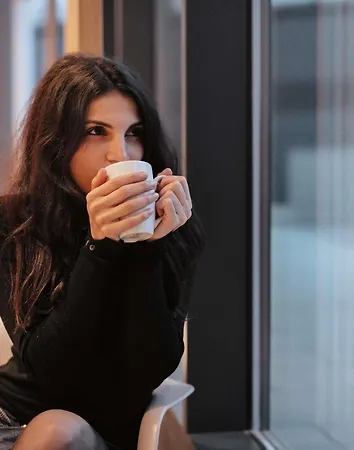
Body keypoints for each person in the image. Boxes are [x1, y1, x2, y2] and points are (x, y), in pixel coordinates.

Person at [0, 53, 204, 450]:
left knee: (57, 430)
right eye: (96, 131)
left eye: (133, 132)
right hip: (10, 416)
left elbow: (150, 369)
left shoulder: (176, 228)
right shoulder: (14, 223)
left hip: (82, 436)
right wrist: (99, 246)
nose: (121, 154)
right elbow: (49, 369)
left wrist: (144, 246)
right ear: (55, 141)